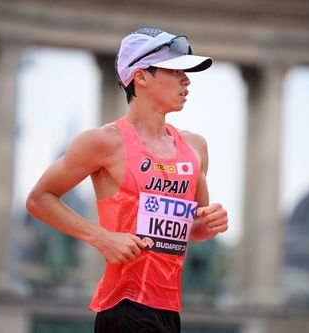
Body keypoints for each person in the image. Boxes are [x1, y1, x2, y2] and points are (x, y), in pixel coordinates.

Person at [26, 27, 229, 333]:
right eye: (175, 71)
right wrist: (100, 237)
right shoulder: (104, 142)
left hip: (170, 311)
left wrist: (209, 222)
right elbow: (38, 199)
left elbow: (194, 229)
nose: (186, 81)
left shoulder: (196, 147)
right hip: (123, 308)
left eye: (186, 73)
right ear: (140, 77)